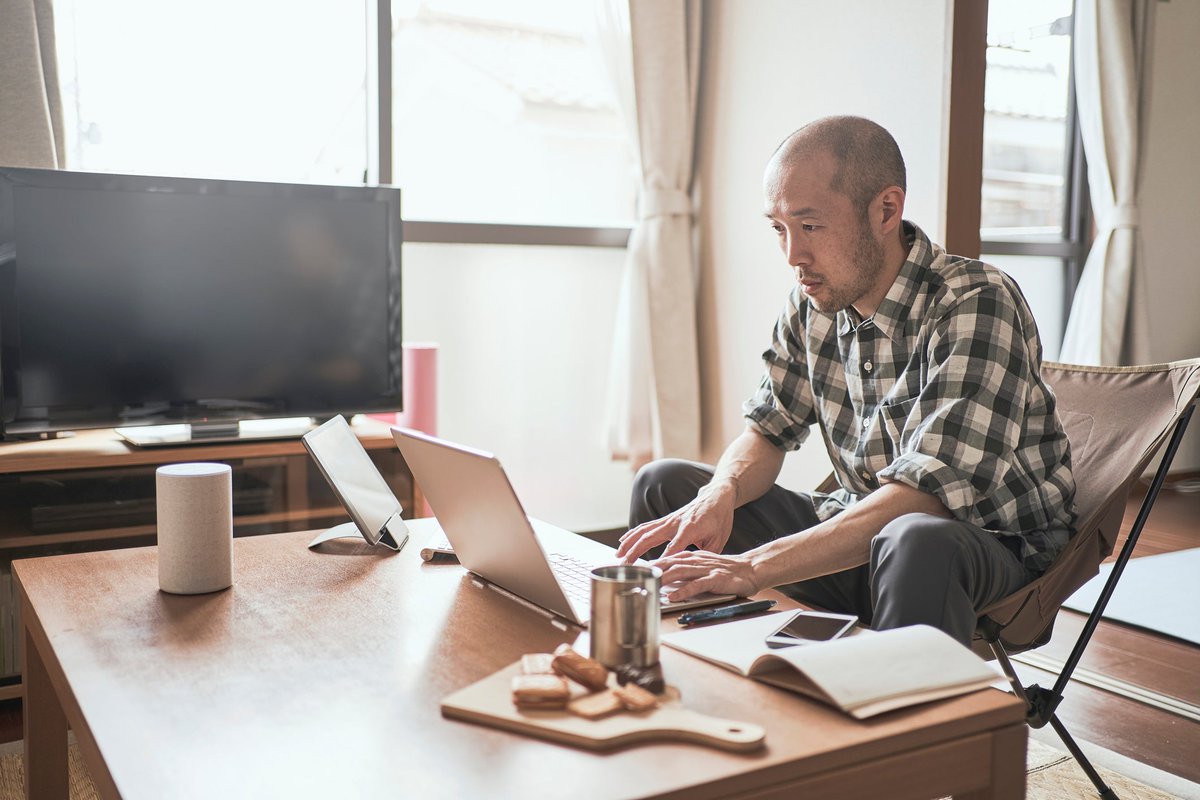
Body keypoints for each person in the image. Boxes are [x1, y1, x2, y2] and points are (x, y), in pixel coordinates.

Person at [616, 115, 1076, 646]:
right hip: (865, 537)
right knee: (665, 486)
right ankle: (680, 671)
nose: (793, 256)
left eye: (810, 227)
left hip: (982, 551)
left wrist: (752, 566)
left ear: (886, 210)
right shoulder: (813, 302)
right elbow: (768, 429)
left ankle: (906, 722)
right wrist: (719, 492)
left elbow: (923, 499)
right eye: (779, 229)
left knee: (915, 539)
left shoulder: (974, 302)